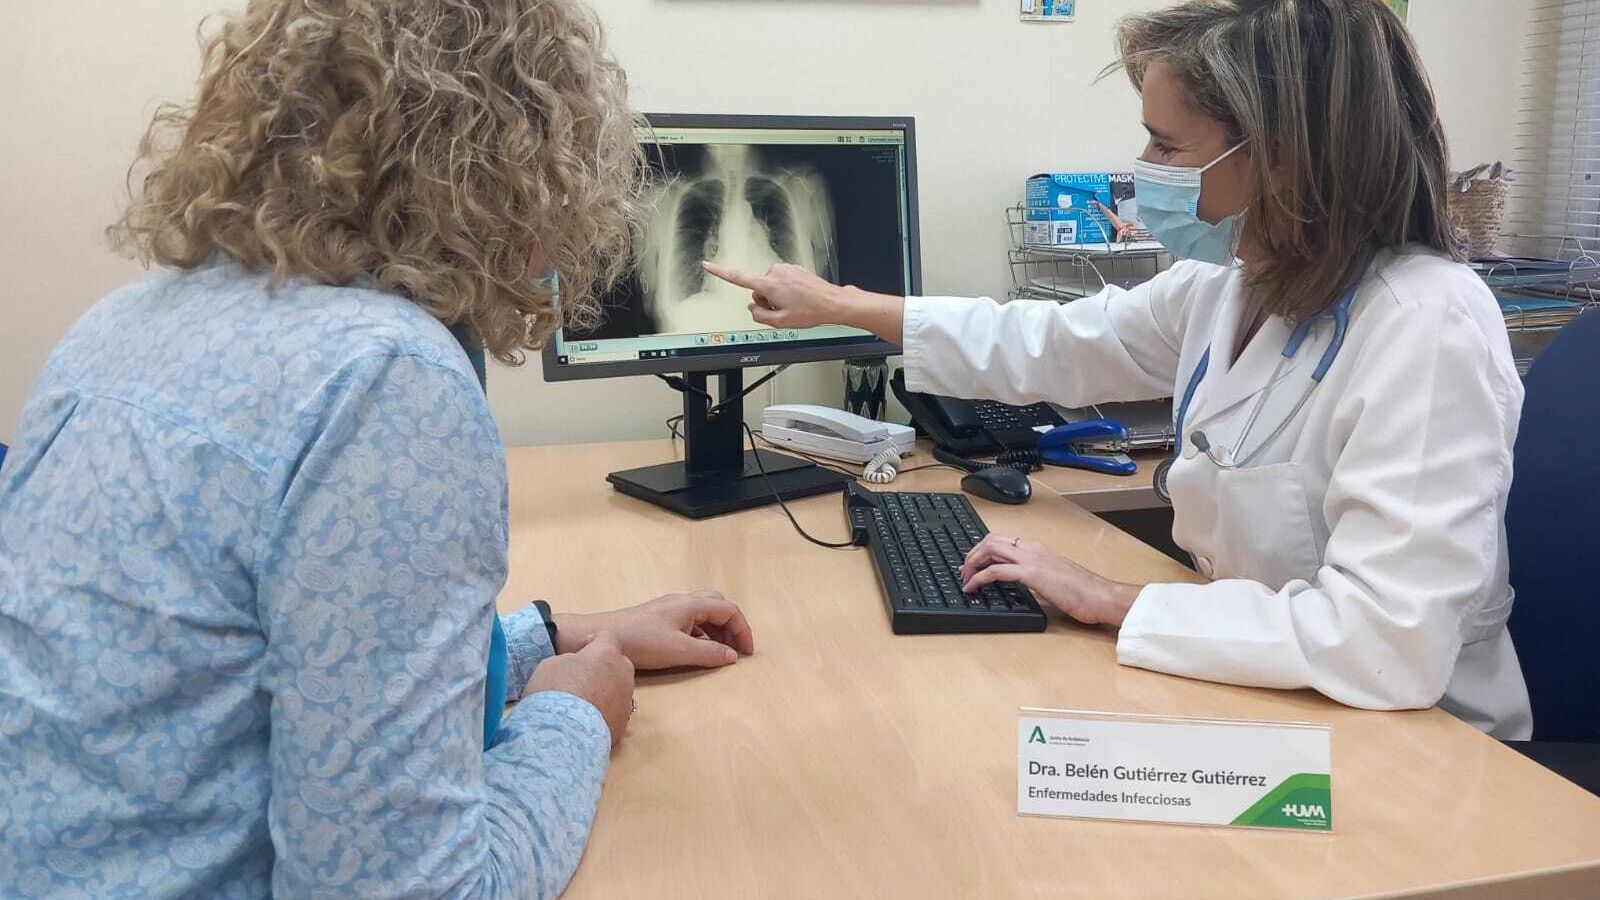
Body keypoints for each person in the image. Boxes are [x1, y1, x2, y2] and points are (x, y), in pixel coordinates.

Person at [0, 1, 753, 897]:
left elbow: (261, 682)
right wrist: (571, 714)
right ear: (524, 155)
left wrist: (553, 635)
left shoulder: (116, 326)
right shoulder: (382, 378)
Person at [706, 0, 1532, 738]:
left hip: (1418, 745)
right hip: (1264, 699)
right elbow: (1056, 342)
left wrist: (1112, 598)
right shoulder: (1234, 282)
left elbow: (1386, 643)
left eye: (1168, 143)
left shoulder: (1427, 326)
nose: (1145, 164)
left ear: (1282, 158)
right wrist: (842, 304)